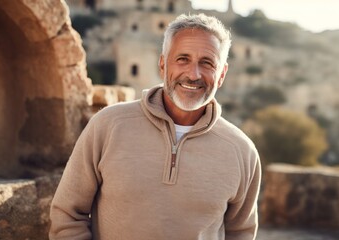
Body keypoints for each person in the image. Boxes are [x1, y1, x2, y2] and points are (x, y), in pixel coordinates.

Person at [49, 13, 261, 240]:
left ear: (221, 75)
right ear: (162, 64)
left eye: (207, 63)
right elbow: (67, 215)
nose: (193, 74)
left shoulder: (242, 151)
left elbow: (241, 234)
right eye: (182, 59)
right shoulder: (108, 125)